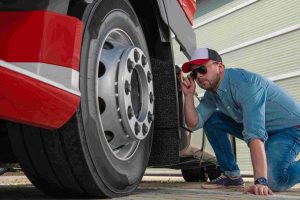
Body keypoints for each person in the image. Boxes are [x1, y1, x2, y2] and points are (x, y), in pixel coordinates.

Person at [180, 48, 300, 195]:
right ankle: (231, 176)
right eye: (194, 73)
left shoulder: (246, 85)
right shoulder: (213, 93)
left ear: (220, 67)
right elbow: (194, 123)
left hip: (289, 130)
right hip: (264, 130)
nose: (198, 76)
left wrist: (260, 181)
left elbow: (254, 133)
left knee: (273, 181)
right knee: (212, 120)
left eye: (202, 69)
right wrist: (188, 95)